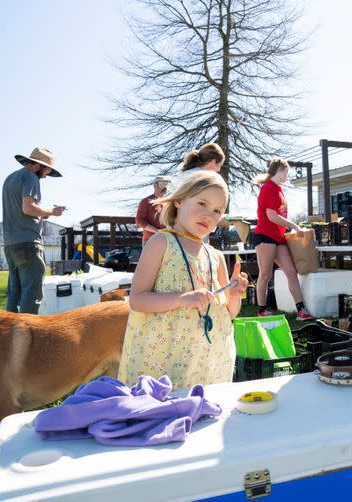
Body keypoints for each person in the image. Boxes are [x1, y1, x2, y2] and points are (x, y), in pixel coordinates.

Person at [118, 171, 249, 389]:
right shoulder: (161, 243)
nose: (209, 214)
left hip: (208, 364)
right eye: (202, 203)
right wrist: (183, 298)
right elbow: (137, 300)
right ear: (179, 200)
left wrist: (234, 294)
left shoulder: (215, 256)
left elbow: (228, 313)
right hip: (163, 362)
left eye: (217, 210)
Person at [2, 147, 66, 314]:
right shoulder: (31, 177)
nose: (46, 176)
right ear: (38, 166)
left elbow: (22, 209)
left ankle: (9, 334)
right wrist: (52, 212)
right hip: (28, 244)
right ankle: (27, 335)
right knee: (31, 293)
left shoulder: (10, 178)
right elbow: (28, 208)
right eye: (47, 170)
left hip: (10, 244)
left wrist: (43, 214)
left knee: (15, 293)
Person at [250, 158, 313, 320]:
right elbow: (272, 216)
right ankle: (262, 310)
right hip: (264, 236)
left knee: (291, 272)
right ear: (279, 169)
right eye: (286, 171)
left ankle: (301, 310)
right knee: (265, 274)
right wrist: (295, 226)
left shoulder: (278, 189)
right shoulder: (268, 188)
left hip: (278, 238)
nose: (287, 175)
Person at [136, 176, 171, 246]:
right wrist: (156, 231)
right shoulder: (146, 201)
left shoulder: (167, 202)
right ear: (155, 185)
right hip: (150, 240)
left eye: (167, 184)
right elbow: (139, 220)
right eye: (163, 184)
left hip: (166, 240)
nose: (165, 187)